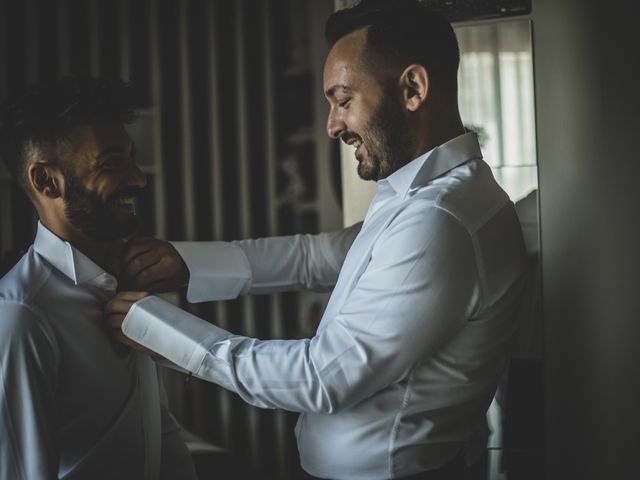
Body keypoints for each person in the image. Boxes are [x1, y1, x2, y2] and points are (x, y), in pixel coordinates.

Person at [107, 1, 527, 479]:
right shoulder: (430, 193)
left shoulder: (440, 219)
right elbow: (318, 256)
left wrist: (166, 333)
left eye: (343, 100)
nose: (332, 126)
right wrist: (183, 263)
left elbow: (323, 377)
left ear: (412, 88)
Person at [0, 76, 197, 480]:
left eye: (131, 157)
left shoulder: (123, 280)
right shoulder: (22, 316)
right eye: (111, 163)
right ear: (46, 181)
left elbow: (155, 429)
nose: (140, 178)